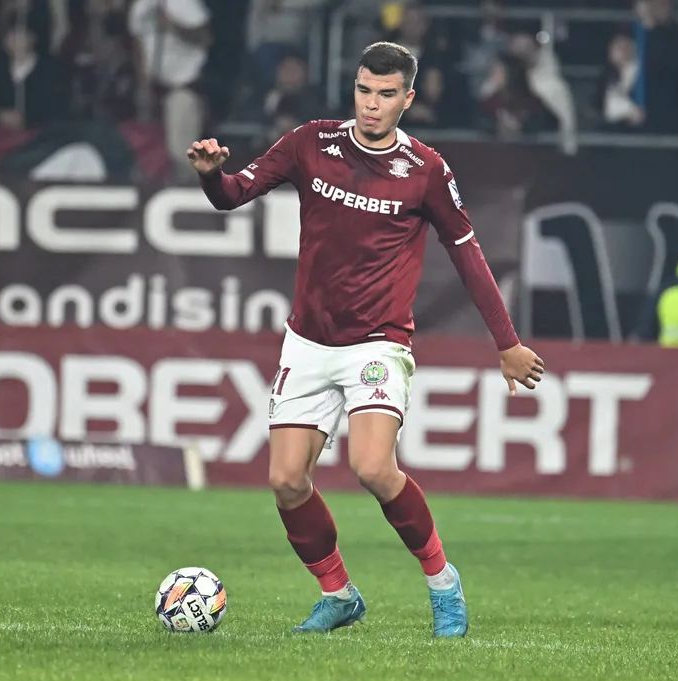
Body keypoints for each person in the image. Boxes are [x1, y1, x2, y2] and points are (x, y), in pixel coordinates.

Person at [188, 41, 545, 637]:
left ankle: (443, 583)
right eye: (363, 90)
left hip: (378, 342)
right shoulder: (310, 142)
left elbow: (468, 255)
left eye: (385, 94)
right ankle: (338, 595)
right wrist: (210, 176)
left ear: (408, 99)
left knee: (374, 467)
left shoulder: (426, 170)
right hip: (308, 342)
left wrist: (506, 343)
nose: (371, 104)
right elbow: (233, 194)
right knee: (286, 481)